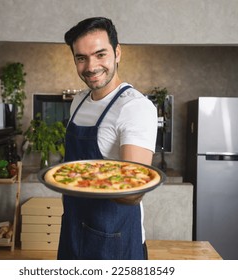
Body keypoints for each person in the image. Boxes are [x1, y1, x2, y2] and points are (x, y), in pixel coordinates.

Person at [59, 17, 157, 260]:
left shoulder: (134, 108)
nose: (91, 66)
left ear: (117, 52)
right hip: (73, 229)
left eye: (100, 54)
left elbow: (133, 193)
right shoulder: (78, 101)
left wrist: (77, 176)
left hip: (114, 240)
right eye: (81, 58)